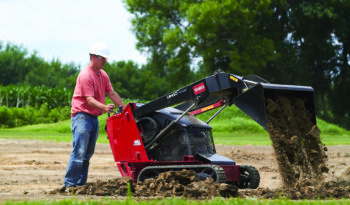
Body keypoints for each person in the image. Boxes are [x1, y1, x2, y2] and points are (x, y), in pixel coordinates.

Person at [62, 42, 125, 190]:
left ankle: (80, 184)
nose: (105, 61)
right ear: (94, 57)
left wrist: (123, 107)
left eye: (105, 58)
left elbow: (111, 93)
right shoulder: (85, 75)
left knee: (88, 153)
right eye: (102, 58)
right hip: (82, 117)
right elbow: (89, 100)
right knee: (80, 151)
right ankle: (70, 184)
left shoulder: (103, 75)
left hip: (93, 118)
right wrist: (105, 107)